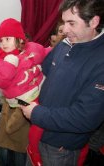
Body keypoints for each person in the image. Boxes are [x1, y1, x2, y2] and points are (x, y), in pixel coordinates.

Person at [20, 0, 104, 165]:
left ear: (94, 22)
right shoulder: (65, 44)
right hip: (38, 134)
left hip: (61, 149)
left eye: (71, 23)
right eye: (64, 22)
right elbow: (43, 72)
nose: (65, 30)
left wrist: (36, 114)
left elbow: (85, 118)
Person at [0, 18, 51, 166]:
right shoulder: (2, 60)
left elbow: (44, 53)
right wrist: (10, 64)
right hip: (12, 111)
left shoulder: (30, 53)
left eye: (7, 39)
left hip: (30, 105)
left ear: (20, 40)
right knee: (7, 155)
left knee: (19, 154)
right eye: (1, 40)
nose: (3, 43)